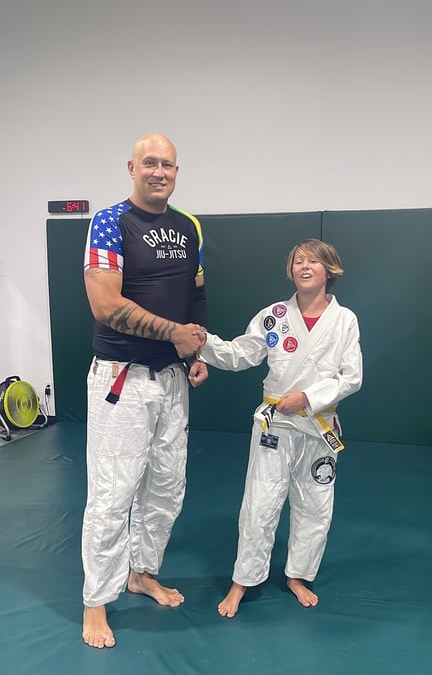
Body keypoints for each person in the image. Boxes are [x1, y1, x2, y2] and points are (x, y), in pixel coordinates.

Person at [81, 133, 208, 648]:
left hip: (172, 379)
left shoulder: (189, 226)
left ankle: (142, 572)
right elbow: (105, 304)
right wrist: (174, 333)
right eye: (150, 163)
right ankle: (96, 601)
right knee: (113, 493)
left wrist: (194, 351)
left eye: (168, 165)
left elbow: (196, 292)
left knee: (166, 488)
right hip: (122, 378)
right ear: (132, 168)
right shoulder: (110, 222)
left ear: (177, 172)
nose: (160, 172)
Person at [198, 239, 362, 617]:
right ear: (291, 271)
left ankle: (298, 575)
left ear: (329, 271)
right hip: (276, 424)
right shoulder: (273, 315)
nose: (304, 266)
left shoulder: (344, 320)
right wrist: (204, 343)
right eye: (298, 261)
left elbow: (352, 376)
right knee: (259, 502)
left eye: (313, 261)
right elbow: (241, 353)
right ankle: (243, 580)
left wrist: (307, 397)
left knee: (315, 504)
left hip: (319, 425)